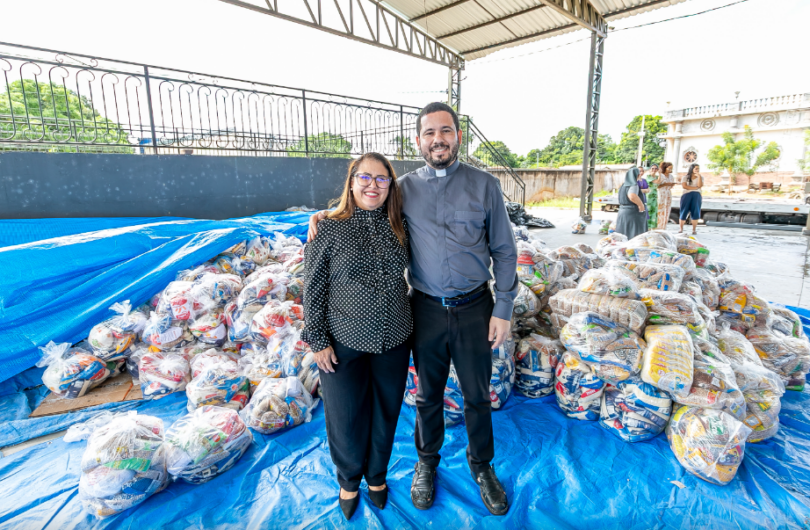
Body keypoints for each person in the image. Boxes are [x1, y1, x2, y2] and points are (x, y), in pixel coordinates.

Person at [309, 102, 517, 516]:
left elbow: (505, 250)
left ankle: (482, 467)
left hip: (476, 307)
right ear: (418, 140)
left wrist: (504, 307)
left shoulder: (485, 185)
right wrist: (323, 217)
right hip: (424, 310)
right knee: (427, 396)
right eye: (429, 133)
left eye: (445, 131)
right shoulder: (402, 188)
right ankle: (426, 463)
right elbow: (362, 206)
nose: (437, 139)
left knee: (478, 394)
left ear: (458, 136)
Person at [302, 153, 412, 520]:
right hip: (343, 341)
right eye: (365, 177)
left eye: (382, 179)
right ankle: (349, 480)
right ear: (351, 182)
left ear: (390, 186)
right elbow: (313, 288)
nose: (372, 185)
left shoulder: (399, 225)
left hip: (394, 338)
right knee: (346, 417)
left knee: (386, 412)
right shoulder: (328, 228)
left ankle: (377, 477)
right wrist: (318, 341)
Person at [615, 166, 647, 239]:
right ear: (637, 175)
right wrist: (641, 205)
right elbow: (632, 195)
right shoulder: (634, 185)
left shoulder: (623, 185)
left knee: (623, 234)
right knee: (633, 235)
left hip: (622, 212)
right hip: (632, 213)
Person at [679, 163, 703, 234]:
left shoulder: (700, 177)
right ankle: (681, 228)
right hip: (686, 194)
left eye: (698, 168)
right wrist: (695, 188)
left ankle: (694, 229)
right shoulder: (685, 177)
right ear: (691, 169)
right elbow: (685, 186)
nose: (697, 170)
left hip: (697, 195)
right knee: (683, 211)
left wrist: (699, 176)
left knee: (695, 211)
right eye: (696, 168)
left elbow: (699, 185)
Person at [656, 162, 676, 229]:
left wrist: (671, 184)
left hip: (668, 194)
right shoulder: (660, 175)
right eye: (669, 168)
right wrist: (666, 184)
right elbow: (657, 186)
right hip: (661, 193)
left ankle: (664, 226)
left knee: (667, 210)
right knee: (660, 210)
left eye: (671, 169)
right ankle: (658, 226)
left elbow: (670, 186)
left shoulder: (671, 176)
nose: (670, 170)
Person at [646, 164, 660, 231]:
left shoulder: (657, 176)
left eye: (655, 168)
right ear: (650, 169)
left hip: (655, 195)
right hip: (649, 195)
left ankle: (653, 228)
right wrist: (660, 174)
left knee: (654, 211)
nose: (654, 170)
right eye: (652, 168)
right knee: (648, 211)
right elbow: (658, 182)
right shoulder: (648, 176)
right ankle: (647, 227)